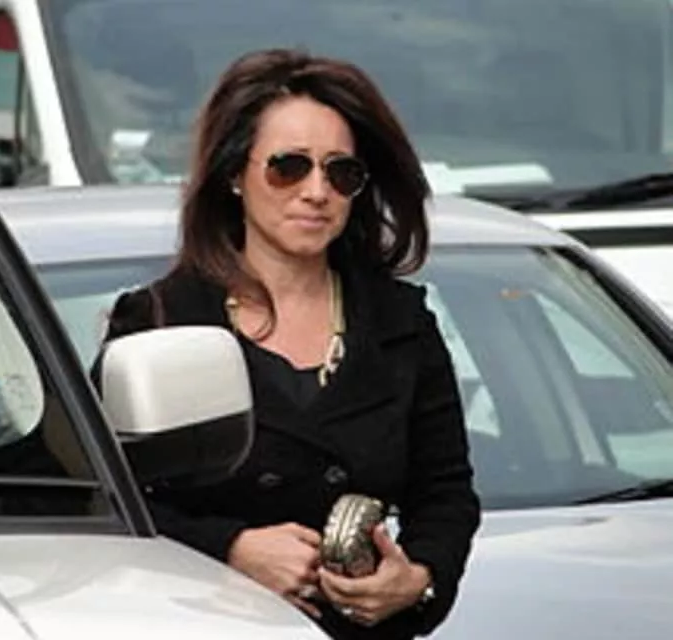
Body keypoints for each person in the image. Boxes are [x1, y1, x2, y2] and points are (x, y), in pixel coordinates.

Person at [93, 48, 481, 640]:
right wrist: (230, 548)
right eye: (289, 167)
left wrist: (418, 578)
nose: (317, 191)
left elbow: (445, 492)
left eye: (341, 172)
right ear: (234, 174)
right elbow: (97, 498)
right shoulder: (161, 322)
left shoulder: (400, 321)